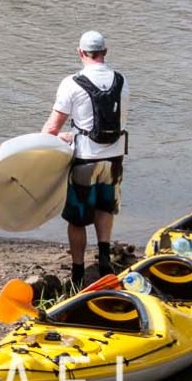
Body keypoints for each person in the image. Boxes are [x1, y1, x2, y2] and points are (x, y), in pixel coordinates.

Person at [38, 31, 126, 286]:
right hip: (115, 158)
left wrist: (49, 141)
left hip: (84, 161)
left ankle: (77, 272)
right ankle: (105, 259)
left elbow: (52, 128)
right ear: (105, 52)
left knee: (77, 219)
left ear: (80, 52)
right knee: (105, 207)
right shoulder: (122, 81)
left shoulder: (72, 83)